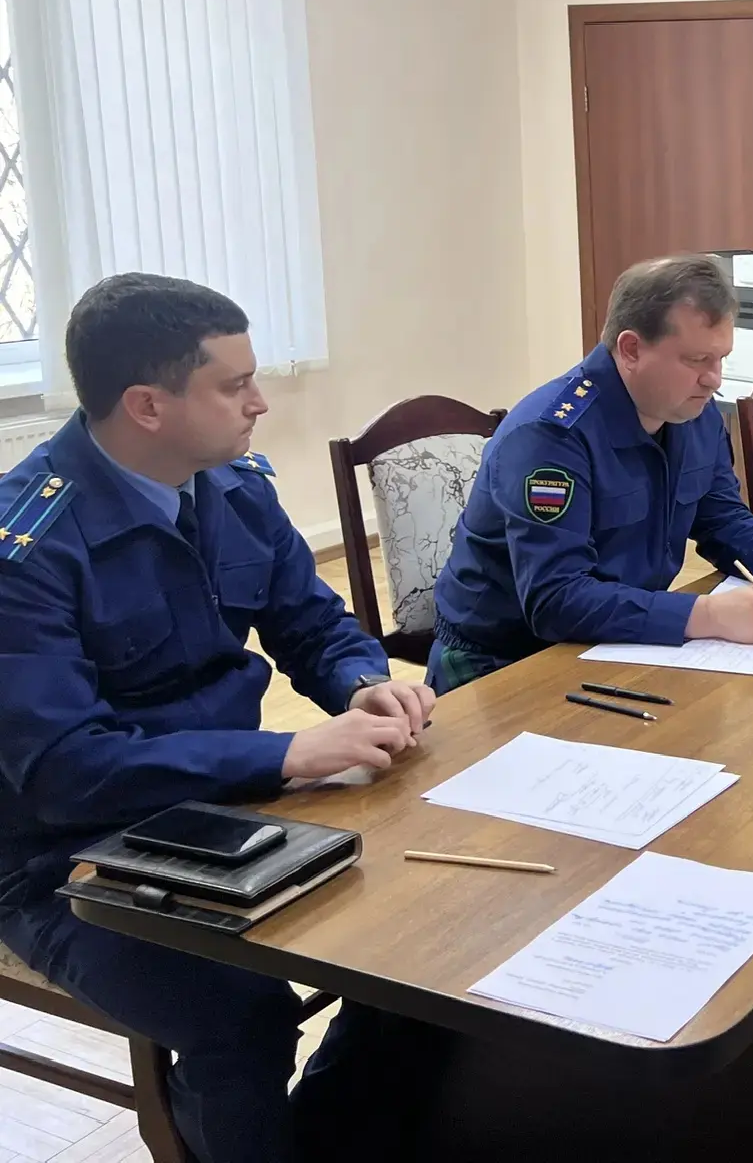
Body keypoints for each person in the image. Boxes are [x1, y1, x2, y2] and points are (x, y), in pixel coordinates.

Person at [0, 274, 440, 1163]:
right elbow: (64, 771)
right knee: (239, 1015)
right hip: (62, 856)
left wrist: (361, 681)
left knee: (427, 921)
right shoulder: (28, 549)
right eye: (234, 385)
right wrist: (285, 754)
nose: (260, 403)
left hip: (224, 802)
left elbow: (308, 619)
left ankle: (332, 1134)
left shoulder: (229, 487)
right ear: (147, 405)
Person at [429, 253, 753, 691]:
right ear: (631, 349)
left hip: (617, 640)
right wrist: (707, 615)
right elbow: (555, 598)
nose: (714, 379)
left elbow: (721, 517)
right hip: (504, 663)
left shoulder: (691, 411)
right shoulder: (550, 436)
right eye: (697, 359)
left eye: (721, 358)